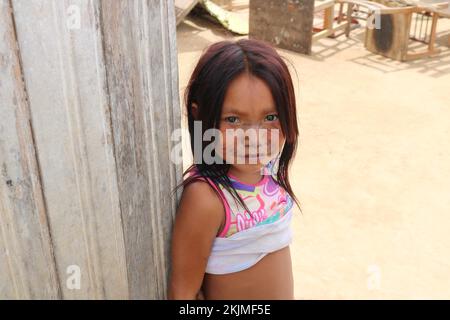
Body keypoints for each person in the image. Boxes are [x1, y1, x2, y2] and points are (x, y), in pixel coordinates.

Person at [168, 38, 301, 300]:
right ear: (200, 116)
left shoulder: (269, 169)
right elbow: (183, 292)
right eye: (233, 120)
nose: (254, 138)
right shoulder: (207, 198)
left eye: (270, 118)